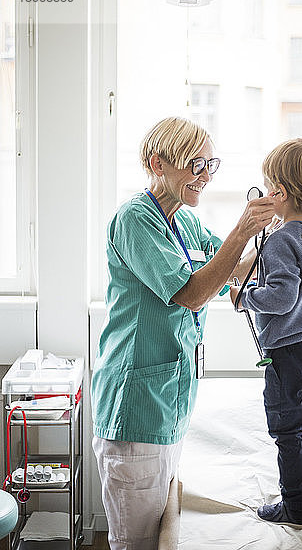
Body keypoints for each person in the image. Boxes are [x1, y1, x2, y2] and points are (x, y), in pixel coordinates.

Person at [90, 116, 276, 550]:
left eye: (210, 165)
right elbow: (192, 294)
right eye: (195, 164)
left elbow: (233, 265)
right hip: (135, 408)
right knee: (136, 542)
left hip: (170, 402)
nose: (205, 176)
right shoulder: (135, 219)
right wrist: (242, 230)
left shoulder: (187, 222)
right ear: (158, 162)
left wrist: (284, 233)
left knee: (159, 532)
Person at [230, 138, 302, 529]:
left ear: (282, 193)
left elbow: (280, 299)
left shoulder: (280, 240)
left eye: (267, 185)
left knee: (286, 430)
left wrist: (244, 297)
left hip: (289, 354)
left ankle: (295, 508)